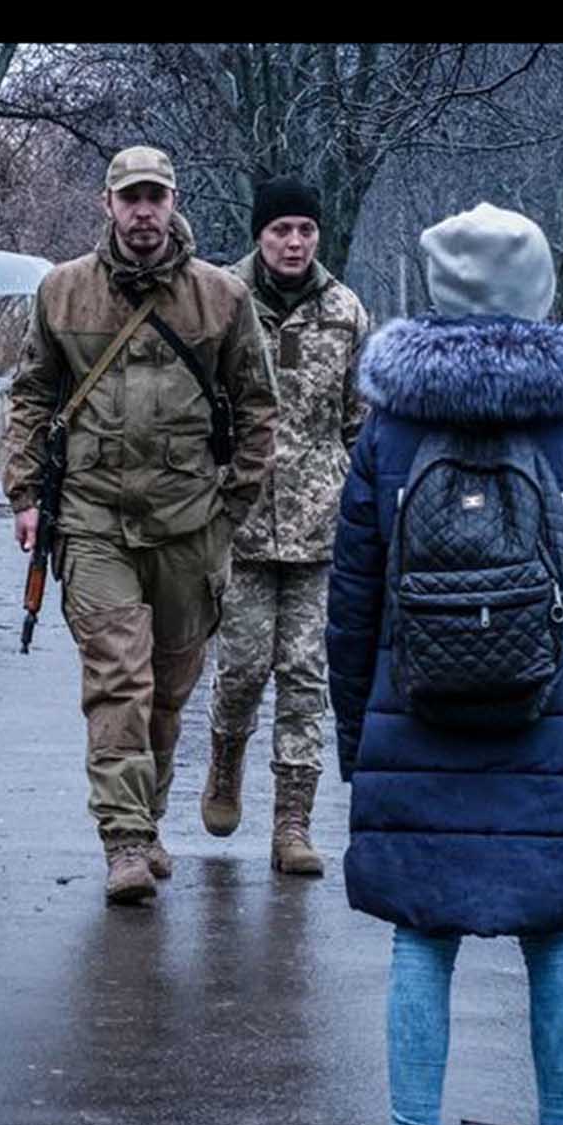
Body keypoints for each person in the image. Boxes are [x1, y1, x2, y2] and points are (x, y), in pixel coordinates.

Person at [325, 203, 563, 1125]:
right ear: (537, 291)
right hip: (555, 722)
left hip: (416, 721)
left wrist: (359, 742)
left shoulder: (391, 429)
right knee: (559, 944)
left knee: (422, 942)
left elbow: (353, 604)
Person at [3, 145, 278, 905]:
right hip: (94, 518)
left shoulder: (221, 298)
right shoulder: (63, 292)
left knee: (168, 688)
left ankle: (147, 818)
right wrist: (26, 494)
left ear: (173, 201)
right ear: (108, 205)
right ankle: (123, 839)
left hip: (191, 523)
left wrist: (233, 506)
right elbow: (31, 396)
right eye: (131, 198)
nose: (144, 212)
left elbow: (258, 408)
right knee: (118, 677)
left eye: (155, 197)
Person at [204, 177, 370, 877]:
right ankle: (225, 758)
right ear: (260, 234)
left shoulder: (345, 310)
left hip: (320, 525)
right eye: (281, 230)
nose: (294, 242)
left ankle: (292, 823)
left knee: (305, 675)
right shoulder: (221, 299)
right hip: (238, 520)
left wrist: (367, 501)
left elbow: (359, 420)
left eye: (305, 229)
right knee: (243, 666)